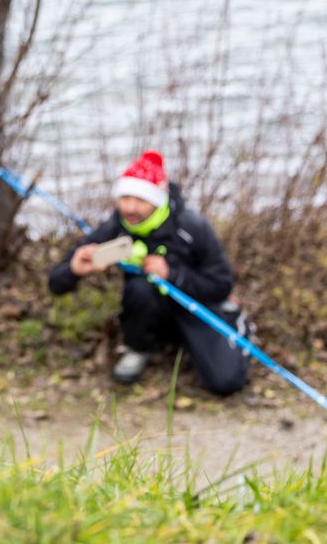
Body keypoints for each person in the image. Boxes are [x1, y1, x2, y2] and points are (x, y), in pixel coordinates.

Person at [47, 149, 250, 395]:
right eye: (125, 199)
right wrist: (74, 269)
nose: (130, 208)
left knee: (225, 383)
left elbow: (221, 285)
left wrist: (173, 274)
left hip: (196, 306)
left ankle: (234, 323)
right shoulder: (116, 227)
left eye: (140, 200)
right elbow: (55, 283)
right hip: (148, 310)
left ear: (157, 199)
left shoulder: (191, 227)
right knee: (140, 288)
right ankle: (138, 348)